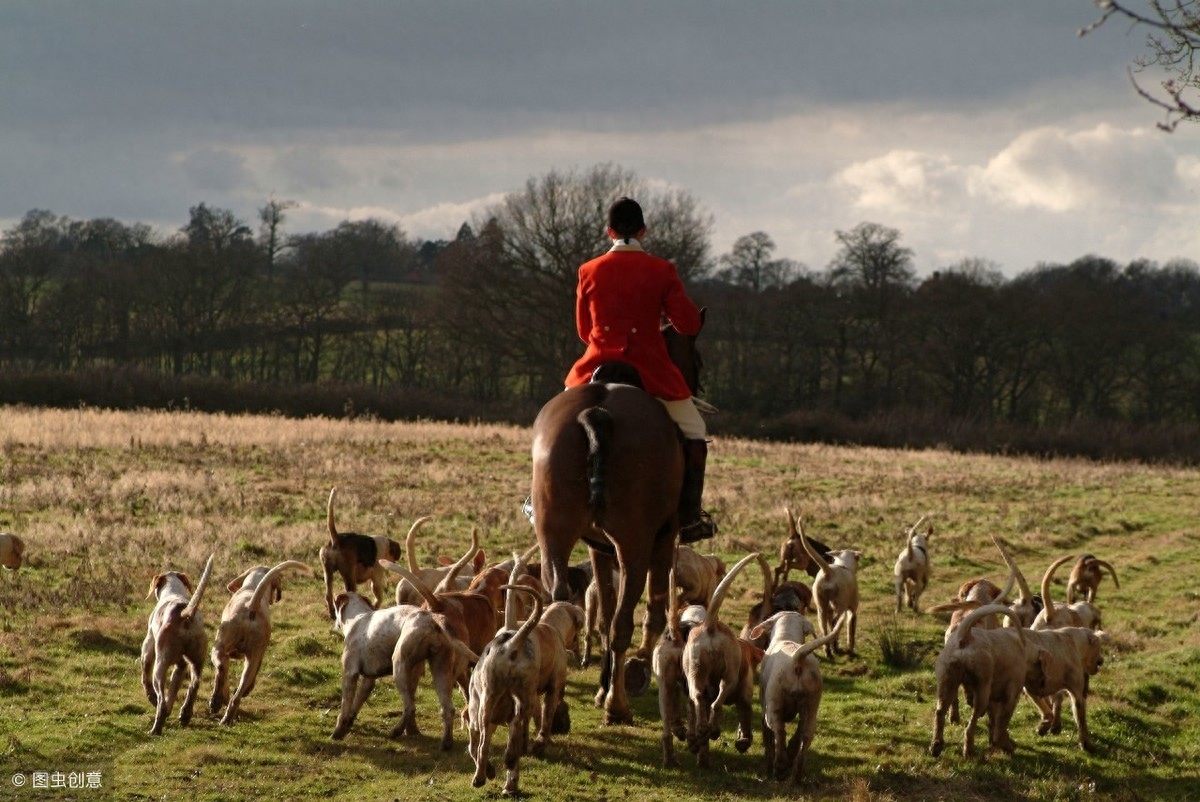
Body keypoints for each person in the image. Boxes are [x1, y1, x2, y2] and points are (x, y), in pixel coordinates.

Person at [564, 197, 716, 543]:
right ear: (643, 230)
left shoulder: (588, 270)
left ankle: (536, 499)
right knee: (695, 429)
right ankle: (691, 517)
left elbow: (583, 331)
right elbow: (690, 324)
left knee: (554, 421)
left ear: (609, 231)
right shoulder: (662, 271)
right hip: (649, 370)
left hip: (595, 366)